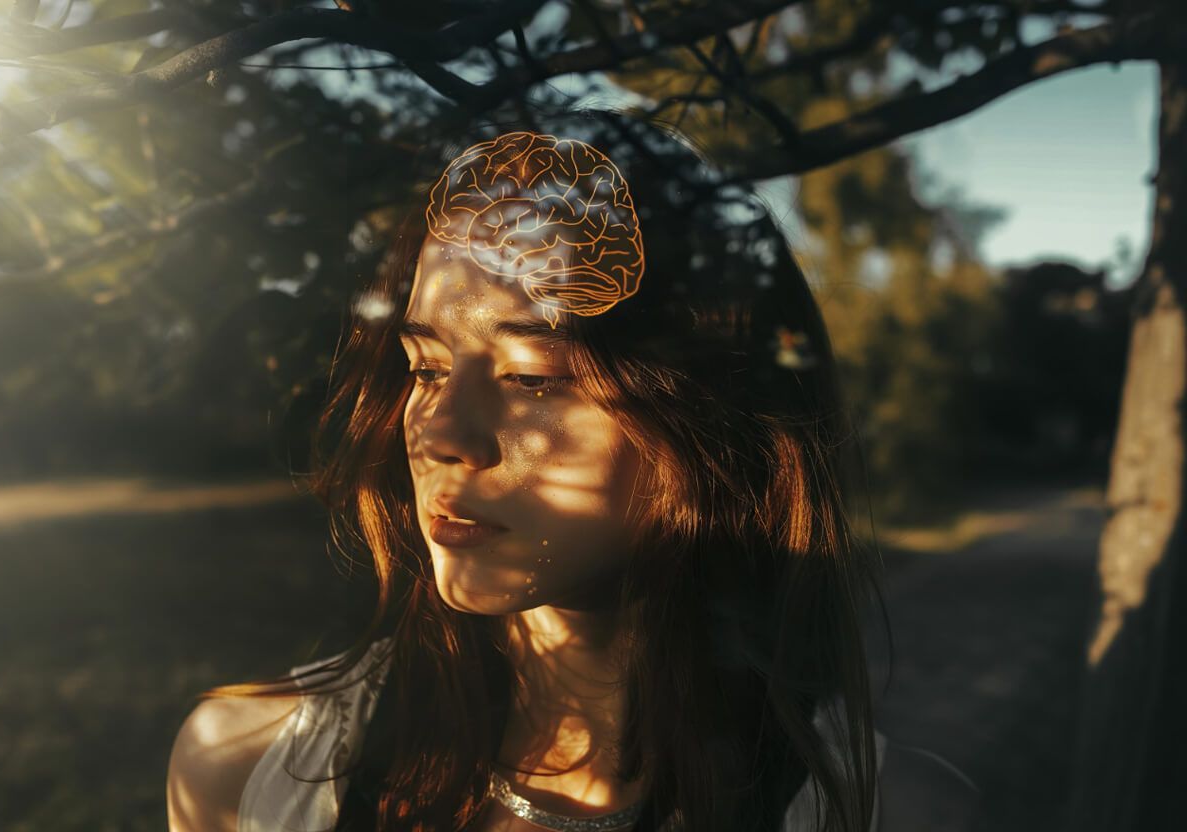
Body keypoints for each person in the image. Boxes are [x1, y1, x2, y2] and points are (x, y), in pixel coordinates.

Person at [166, 111, 977, 831]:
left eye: (531, 378)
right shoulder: (250, 775)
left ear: (712, 423)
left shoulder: (880, 811)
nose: (443, 432)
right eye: (424, 368)